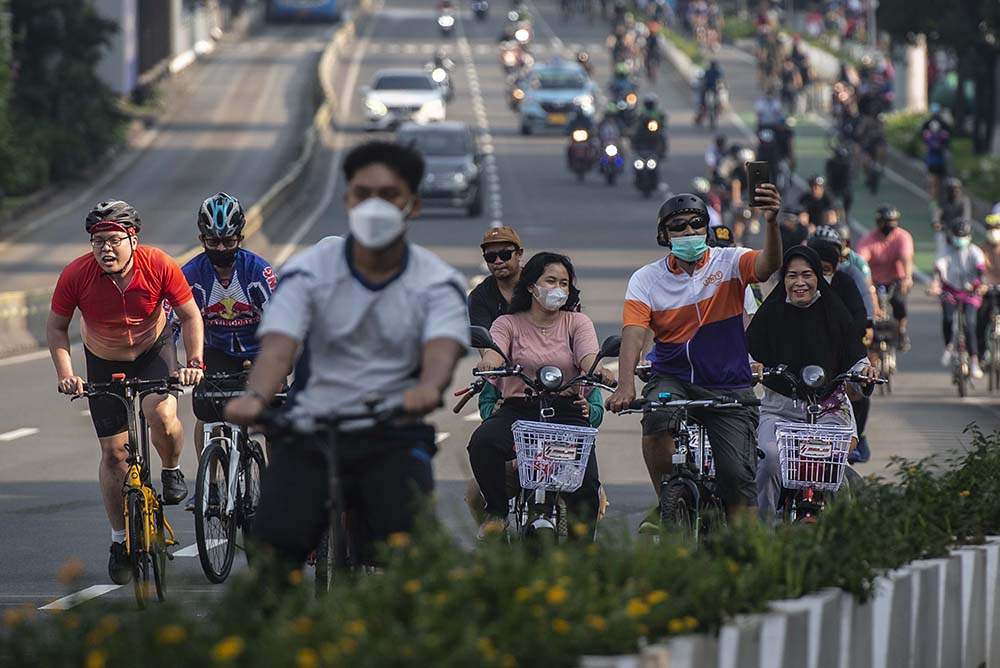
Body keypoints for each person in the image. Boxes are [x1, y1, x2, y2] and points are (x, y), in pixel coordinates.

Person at [223, 141, 468, 570]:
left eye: (389, 195)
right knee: (271, 548)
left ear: (413, 205)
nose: (375, 205)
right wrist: (257, 397)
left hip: (392, 430)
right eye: (363, 193)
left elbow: (441, 350)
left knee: (414, 553)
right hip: (311, 429)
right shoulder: (308, 271)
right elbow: (280, 345)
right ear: (347, 200)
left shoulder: (436, 281)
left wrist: (428, 390)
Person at [48, 200, 205, 585]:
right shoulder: (76, 275)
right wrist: (68, 375)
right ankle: (120, 540)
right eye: (97, 241)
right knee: (114, 453)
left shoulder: (159, 264)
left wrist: (195, 362)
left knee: (162, 416)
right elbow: (56, 329)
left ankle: (170, 470)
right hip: (104, 357)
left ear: (133, 239)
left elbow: (188, 315)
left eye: (114, 240)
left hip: (153, 349)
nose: (105, 249)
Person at [606, 186, 783, 526]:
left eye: (695, 224)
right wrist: (625, 384)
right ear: (664, 235)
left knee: (737, 481)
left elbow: (768, 264)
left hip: (728, 385)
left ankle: (745, 561)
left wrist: (772, 222)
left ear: (706, 228)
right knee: (656, 420)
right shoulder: (646, 278)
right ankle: (667, 506)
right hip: (672, 378)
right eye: (678, 226)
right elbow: (634, 331)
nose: (688, 232)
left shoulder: (730, 262)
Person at [469, 252, 616, 538]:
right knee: (482, 443)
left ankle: (581, 549)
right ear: (530, 286)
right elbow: (494, 351)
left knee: (585, 482)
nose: (557, 289)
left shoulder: (577, 322)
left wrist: (599, 371)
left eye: (564, 283)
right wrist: (490, 361)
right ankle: (497, 512)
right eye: (550, 281)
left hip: (566, 409)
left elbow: (587, 356)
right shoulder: (507, 323)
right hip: (519, 409)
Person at [748, 246, 878, 521]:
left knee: (834, 467)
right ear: (783, 280)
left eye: (807, 275)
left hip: (829, 409)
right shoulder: (770, 314)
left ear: (818, 277)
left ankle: (843, 534)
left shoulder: (835, 312)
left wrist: (865, 371)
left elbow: (855, 356)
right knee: (768, 461)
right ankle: (763, 537)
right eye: (792, 275)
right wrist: (753, 366)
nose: (799, 283)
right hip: (779, 410)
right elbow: (748, 351)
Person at [177, 192, 276, 510]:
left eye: (228, 242)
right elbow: (171, 323)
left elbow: (282, 321)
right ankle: (210, 485)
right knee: (207, 415)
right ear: (201, 239)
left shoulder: (258, 271)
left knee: (275, 417)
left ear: (241, 238)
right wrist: (174, 364)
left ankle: (277, 485)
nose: (220, 249)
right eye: (213, 242)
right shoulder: (191, 274)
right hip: (215, 351)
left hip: (260, 351)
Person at [929, 219, 986, 379]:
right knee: (948, 318)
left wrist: (981, 286)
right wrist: (934, 286)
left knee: (970, 323)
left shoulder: (975, 252)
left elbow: (981, 274)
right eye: (958, 236)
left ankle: (974, 360)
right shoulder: (945, 251)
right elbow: (938, 272)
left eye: (964, 236)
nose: (960, 239)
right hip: (950, 291)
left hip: (970, 292)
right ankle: (948, 346)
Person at [856, 205, 913, 352]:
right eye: (886, 222)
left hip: (896, 279)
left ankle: (901, 331)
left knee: (899, 302)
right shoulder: (869, 239)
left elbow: (906, 258)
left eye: (892, 222)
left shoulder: (903, 237)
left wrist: (907, 278)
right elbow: (861, 261)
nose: (889, 226)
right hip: (874, 281)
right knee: (868, 308)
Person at [469, 226, 524, 330]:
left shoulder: (538, 284)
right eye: (490, 257)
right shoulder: (480, 296)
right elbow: (484, 341)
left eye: (505, 254)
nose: (498, 261)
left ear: (519, 254)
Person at [977, 209, 1000, 365]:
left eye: (996, 228)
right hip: (986, 290)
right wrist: (980, 285)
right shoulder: (980, 249)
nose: (993, 232)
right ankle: (981, 353)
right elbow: (976, 271)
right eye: (990, 229)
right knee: (980, 321)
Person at [825, 143, 854, 215]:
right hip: (832, 186)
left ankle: (846, 213)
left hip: (842, 186)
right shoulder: (830, 163)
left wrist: (844, 189)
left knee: (848, 195)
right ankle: (828, 213)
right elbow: (830, 178)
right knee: (827, 197)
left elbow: (847, 180)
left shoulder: (846, 165)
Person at [696, 59, 724, 125]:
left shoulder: (708, 71)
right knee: (716, 100)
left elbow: (703, 80)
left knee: (704, 99)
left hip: (710, 88)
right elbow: (720, 80)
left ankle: (704, 106)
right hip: (711, 88)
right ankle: (705, 106)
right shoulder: (716, 71)